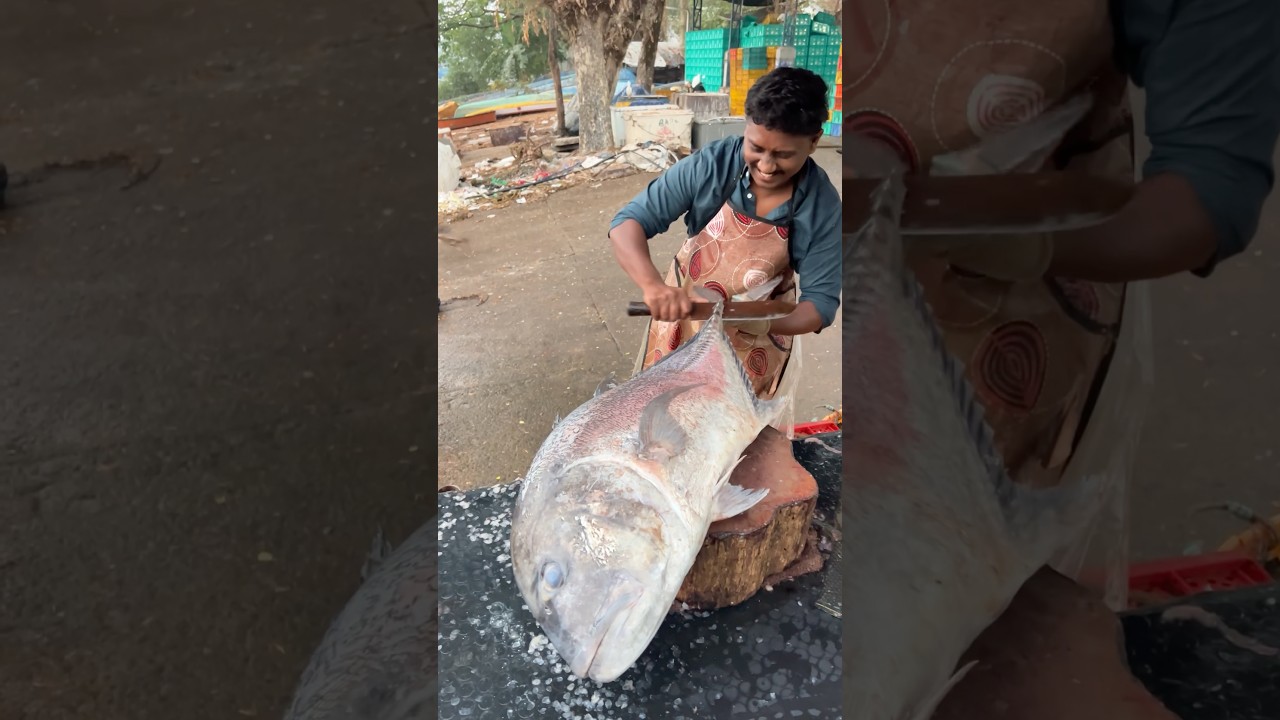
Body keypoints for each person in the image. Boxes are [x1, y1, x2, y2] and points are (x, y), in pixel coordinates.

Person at [842, 0, 1279, 606]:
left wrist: (1023, 241)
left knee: (969, 605)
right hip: (833, 278)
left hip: (1012, 330)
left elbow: (1207, 190)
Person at [609, 66, 842, 399]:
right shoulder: (712, 165)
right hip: (683, 324)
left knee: (731, 436)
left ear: (815, 141)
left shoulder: (821, 206)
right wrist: (652, 286)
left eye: (784, 154)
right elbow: (627, 224)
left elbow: (819, 306)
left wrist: (760, 323)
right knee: (663, 418)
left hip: (756, 343)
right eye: (757, 148)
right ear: (746, 127)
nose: (766, 166)